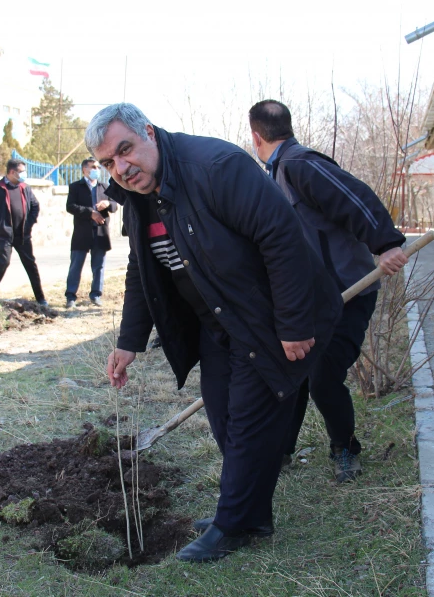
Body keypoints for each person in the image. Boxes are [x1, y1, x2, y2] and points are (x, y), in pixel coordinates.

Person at [87, 103, 342, 562]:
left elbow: (282, 237)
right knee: (225, 417)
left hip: (267, 318)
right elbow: (140, 269)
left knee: (246, 424)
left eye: (125, 151)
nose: (121, 168)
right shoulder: (140, 193)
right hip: (219, 320)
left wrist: (294, 323)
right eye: (108, 162)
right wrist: (129, 342)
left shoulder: (215, 168)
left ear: (149, 131)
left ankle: (234, 524)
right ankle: (250, 511)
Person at [248, 99, 408, 483]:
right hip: (310, 300)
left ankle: (345, 449)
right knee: (292, 373)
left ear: (256, 137)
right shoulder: (276, 175)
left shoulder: (300, 165)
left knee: (322, 375)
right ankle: (280, 450)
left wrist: (386, 243)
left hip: (348, 293)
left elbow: (355, 196)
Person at [0, 159, 47, 306]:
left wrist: (29, 223)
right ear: (12, 172)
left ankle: (40, 297)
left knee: (30, 264)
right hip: (5, 234)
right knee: (3, 262)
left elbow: (35, 206)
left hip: (23, 235)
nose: (24, 174)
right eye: (21, 171)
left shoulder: (25, 188)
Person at [64, 157, 118, 308]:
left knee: (99, 265)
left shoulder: (104, 186)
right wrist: (90, 213)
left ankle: (96, 295)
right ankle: (70, 296)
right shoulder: (76, 187)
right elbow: (71, 206)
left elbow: (115, 206)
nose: (96, 170)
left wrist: (107, 204)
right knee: (76, 265)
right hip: (82, 232)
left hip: (101, 232)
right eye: (93, 167)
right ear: (84, 170)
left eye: (98, 167)